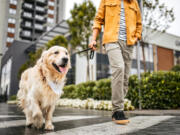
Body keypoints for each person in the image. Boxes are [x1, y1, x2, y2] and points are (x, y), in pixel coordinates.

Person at [89, 0, 142, 124]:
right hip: (111, 40)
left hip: (128, 44)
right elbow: (98, 20)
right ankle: (118, 110)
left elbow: (139, 23)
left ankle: (117, 110)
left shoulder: (134, 3)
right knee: (119, 68)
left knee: (125, 79)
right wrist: (93, 39)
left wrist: (136, 37)